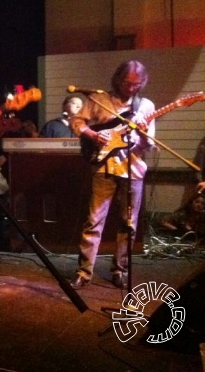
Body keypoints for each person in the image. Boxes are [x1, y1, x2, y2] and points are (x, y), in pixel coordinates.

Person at [68, 60, 155, 289]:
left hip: (132, 169)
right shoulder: (99, 99)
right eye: (127, 83)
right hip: (104, 166)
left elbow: (148, 145)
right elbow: (77, 122)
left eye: (136, 84)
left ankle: (120, 269)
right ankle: (84, 271)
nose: (131, 88)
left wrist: (144, 135)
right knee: (94, 220)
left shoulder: (145, 106)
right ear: (118, 79)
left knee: (129, 224)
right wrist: (93, 136)